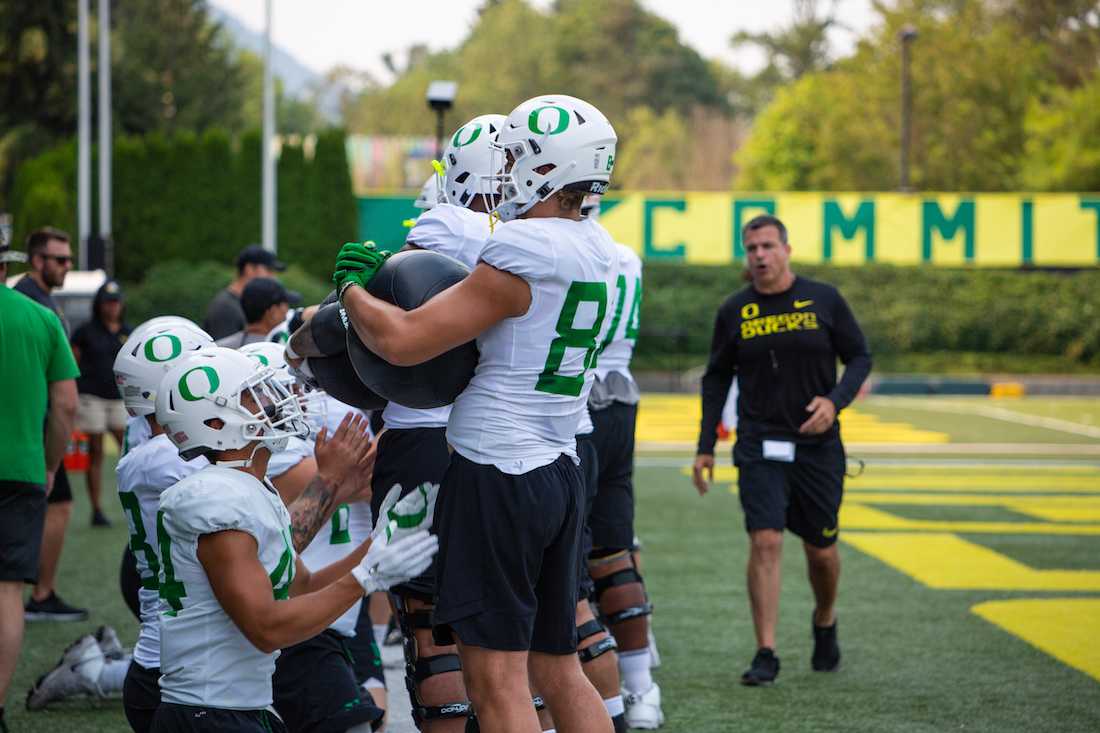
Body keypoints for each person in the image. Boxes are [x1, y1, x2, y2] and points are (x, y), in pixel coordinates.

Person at [329, 94, 620, 733]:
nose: (508, 170)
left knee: (496, 682)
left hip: (498, 473)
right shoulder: (596, 245)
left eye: (517, 156)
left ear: (546, 166)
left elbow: (405, 340)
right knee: (559, 669)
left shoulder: (521, 246)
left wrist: (352, 288)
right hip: (560, 468)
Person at [150, 347, 437, 733]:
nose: (276, 401)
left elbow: (301, 587)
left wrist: (379, 546)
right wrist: (365, 577)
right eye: (255, 395)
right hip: (210, 712)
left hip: (240, 706)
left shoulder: (249, 486)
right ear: (216, 423)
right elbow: (267, 629)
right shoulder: (217, 499)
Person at [691, 214, 872, 686]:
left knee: (821, 551)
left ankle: (825, 618)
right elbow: (716, 378)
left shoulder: (824, 299)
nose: (760, 256)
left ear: (787, 250)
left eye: (768, 246)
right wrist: (705, 445)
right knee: (765, 540)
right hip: (757, 444)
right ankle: (766, 651)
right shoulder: (734, 310)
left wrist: (835, 402)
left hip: (817, 448)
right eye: (752, 249)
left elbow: (860, 357)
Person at [582, 222, 660, 727]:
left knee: (560, 567)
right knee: (614, 549)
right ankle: (641, 690)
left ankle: (600, 701)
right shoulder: (625, 253)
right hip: (621, 397)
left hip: (575, 402)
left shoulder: (561, 243)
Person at [0, 239, 79, 733]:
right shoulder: (39, 317)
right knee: (7, 592)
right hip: (22, 468)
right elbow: (66, 405)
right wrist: (50, 465)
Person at [14, 227, 88, 623]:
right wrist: (51, 455)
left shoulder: (38, 300)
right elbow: (62, 393)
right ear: (36, 260)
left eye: (69, 259)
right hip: (35, 427)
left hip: (32, 424)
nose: (67, 266)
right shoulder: (30, 302)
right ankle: (40, 594)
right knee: (58, 504)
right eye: (60, 259)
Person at [70, 279, 133, 526]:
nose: (112, 307)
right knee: (95, 451)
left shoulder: (128, 331)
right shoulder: (85, 331)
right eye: (108, 302)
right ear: (99, 305)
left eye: (116, 301)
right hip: (92, 397)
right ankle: (96, 509)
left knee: (130, 450)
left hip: (119, 398)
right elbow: (72, 362)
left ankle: (136, 502)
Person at [202, 245, 287, 341]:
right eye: (269, 270)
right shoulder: (225, 307)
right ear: (249, 269)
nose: (273, 276)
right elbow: (223, 352)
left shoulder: (236, 303)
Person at [215, 277, 300, 349]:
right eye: (285, 304)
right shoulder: (285, 351)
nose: (287, 310)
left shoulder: (219, 348)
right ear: (273, 311)